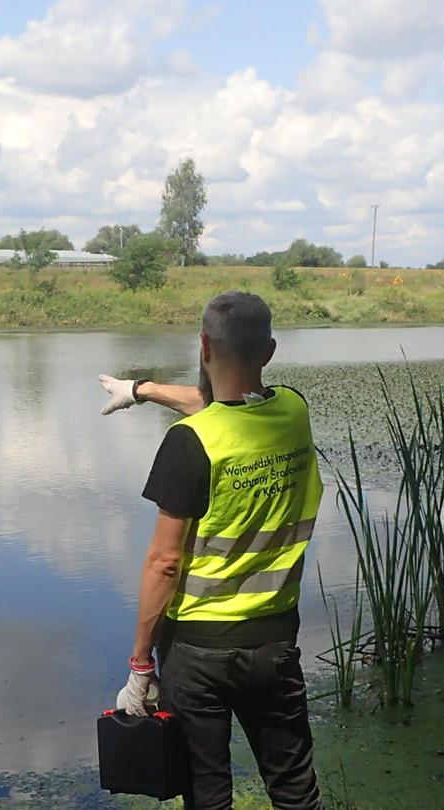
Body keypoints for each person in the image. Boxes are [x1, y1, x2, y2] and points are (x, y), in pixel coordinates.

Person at [98, 291, 325, 810]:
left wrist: (140, 665)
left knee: (208, 795)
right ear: (269, 351)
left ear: (203, 346)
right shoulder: (294, 410)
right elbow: (228, 408)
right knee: (295, 790)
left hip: (198, 652)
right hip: (275, 642)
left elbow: (164, 563)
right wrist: (141, 391)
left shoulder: (188, 443)